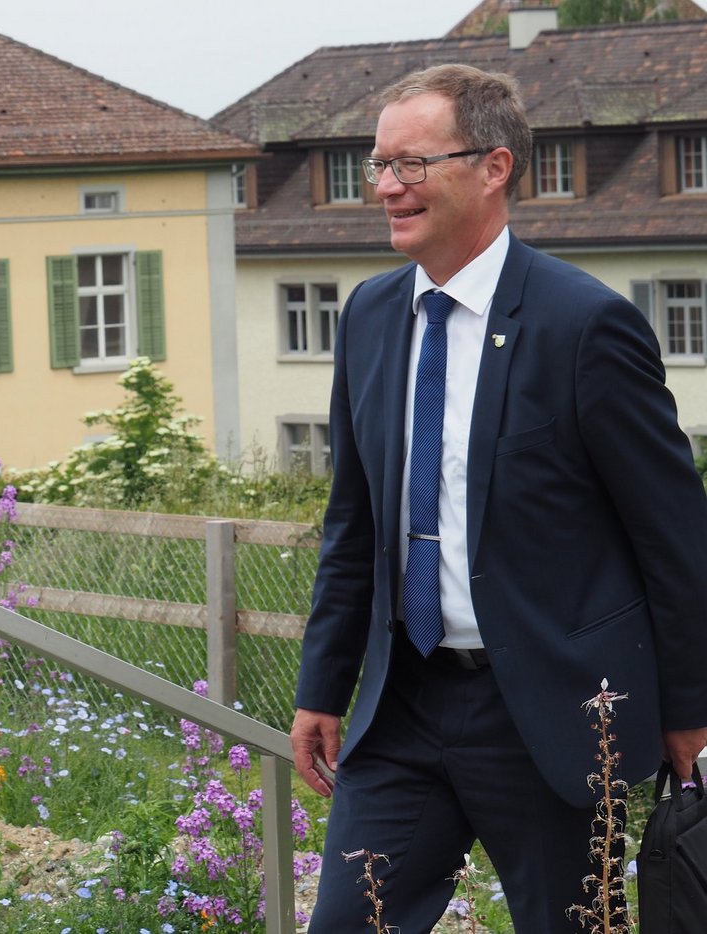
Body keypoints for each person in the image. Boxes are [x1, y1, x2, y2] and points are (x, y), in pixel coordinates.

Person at [291, 64, 707, 930]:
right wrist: (322, 687)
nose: (386, 187)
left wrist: (690, 712)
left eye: (411, 164)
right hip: (401, 706)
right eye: (379, 165)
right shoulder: (368, 316)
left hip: (549, 717)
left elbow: (676, 542)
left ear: (494, 167)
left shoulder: (585, 327)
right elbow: (353, 523)